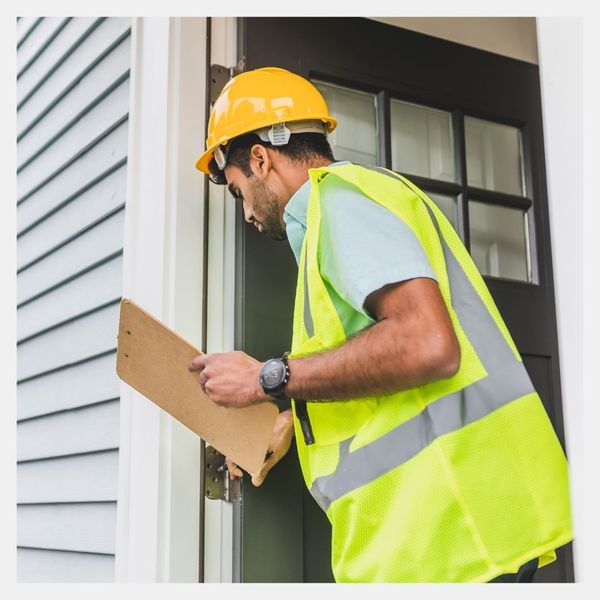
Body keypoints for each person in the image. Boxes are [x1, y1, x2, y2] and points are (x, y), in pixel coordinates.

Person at [189, 67, 573, 583]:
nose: (246, 214)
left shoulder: (342, 203)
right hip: (446, 532)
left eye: (237, 192)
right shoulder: (346, 210)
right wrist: (289, 421)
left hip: (451, 532)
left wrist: (266, 379)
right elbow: (378, 368)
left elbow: (426, 345)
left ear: (260, 158)